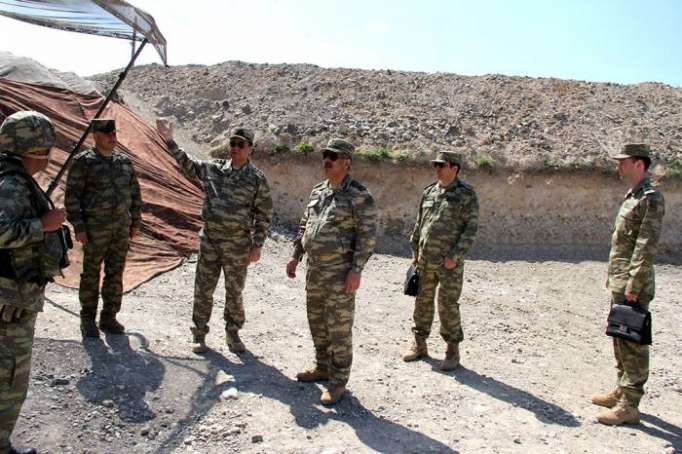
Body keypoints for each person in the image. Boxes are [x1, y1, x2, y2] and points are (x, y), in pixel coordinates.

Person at [157, 120, 273, 354]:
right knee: (203, 289)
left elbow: (264, 215)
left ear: (250, 148)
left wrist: (257, 245)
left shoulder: (257, 179)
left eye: (241, 144)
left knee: (234, 291)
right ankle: (199, 335)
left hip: (238, 245)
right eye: (232, 143)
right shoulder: (214, 168)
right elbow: (187, 163)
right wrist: (169, 140)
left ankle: (233, 334)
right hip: (210, 241)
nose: (235, 148)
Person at [286, 138, 377, 405]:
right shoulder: (318, 191)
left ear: (346, 162)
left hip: (339, 274)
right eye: (325, 155)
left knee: (339, 328)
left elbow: (367, 236)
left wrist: (356, 270)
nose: (327, 160)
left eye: (333, 156)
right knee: (317, 321)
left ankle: (338, 382)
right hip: (315, 272)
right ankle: (322, 366)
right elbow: (305, 225)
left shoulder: (359, 195)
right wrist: (295, 255)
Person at [0, 111, 67, 454]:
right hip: (8, 304)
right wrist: (46, 224)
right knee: (9, 381)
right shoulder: (11, 183)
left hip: (15, 299)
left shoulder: (11, 178)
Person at [592, 143, 665, 426]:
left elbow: (646, 245)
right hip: (621, 279)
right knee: (620, 337)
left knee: (633, 341)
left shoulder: (651, 198)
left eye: (624, 161)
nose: (619, 165)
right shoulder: (633, 195)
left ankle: (630, 405)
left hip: (634, 282)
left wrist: (633, 281)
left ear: (639, 164)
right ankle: (622, 390)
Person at [65, 119, 142, 338]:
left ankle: (109, 317)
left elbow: (135, 194)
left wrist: (135, 222)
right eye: (106, 133)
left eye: (113, 132)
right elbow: (72, 197)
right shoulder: (84, 162)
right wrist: (79, 226)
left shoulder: (124, 162)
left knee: (115, 274)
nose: (112, 136)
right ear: (95, 135)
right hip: (94, 230)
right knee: (91, 274)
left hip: (120, 229)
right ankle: (87, 319)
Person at [402, 151, 478, 371]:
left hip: (448, 263)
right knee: (422, 301)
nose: (437, 169)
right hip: (425, 260)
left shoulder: (466, 195)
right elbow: (419, 224)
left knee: (447, 305)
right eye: (435, 165)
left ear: (455, 168)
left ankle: (452, 351)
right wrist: (415, 251)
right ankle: (419, 344)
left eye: (441, 165)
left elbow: (470, 230)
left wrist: (454, 257)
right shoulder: (429, 192)